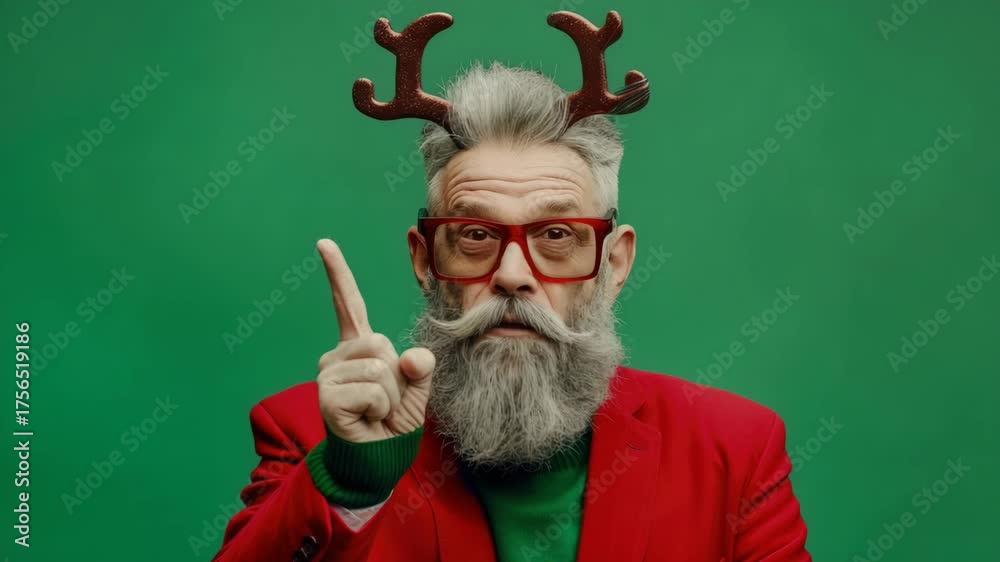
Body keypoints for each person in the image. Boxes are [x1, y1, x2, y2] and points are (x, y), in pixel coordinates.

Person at [213, 10, 810, 562]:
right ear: (425, 260)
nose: (513, 275)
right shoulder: (318, 437)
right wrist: (351, 482)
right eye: (474, 235)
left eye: (556, 234)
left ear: (615, 262)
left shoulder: (735, 452)